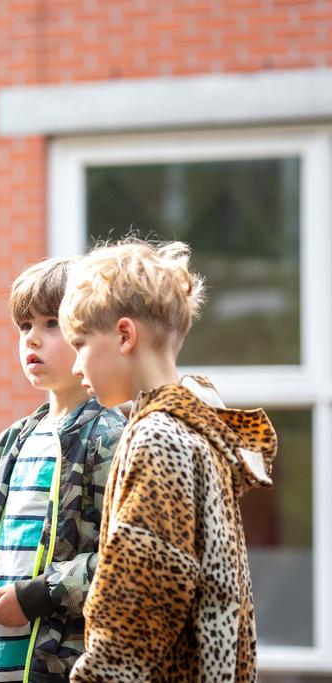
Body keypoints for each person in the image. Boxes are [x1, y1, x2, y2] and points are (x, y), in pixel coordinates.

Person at [60, 240, 277, 681]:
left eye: (80, 343)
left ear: (124, 335)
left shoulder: (157, 439)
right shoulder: (198, 431)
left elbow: (139, 602)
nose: (76, 366)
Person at [0, 258, 125, 682]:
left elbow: (122, 559)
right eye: (24, 326)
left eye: (52, 324)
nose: (32, 338)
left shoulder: (110, 438)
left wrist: (36, 596)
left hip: (69, 668)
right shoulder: (10, 442)